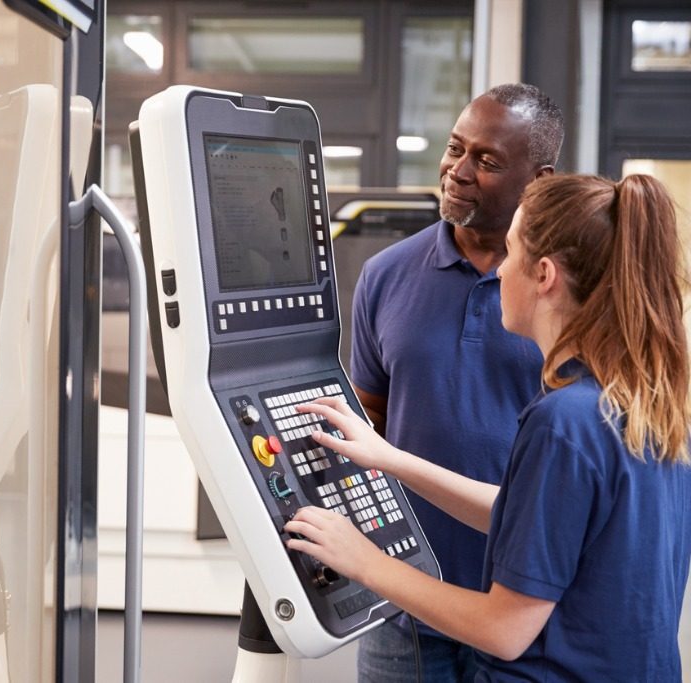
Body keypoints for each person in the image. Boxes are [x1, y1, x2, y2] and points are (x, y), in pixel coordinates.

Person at [288, 173, 691, 680]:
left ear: (543, 275)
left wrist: (363, 560)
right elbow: (527, 518)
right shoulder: (639, 402)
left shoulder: (563, 423)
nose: (499, 273)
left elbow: (504, 628)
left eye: (511, 254)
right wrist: (389, 458)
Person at [347, 82, 564, 680]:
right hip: (408, 601)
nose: (458, 171)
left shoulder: (561, 291)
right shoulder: (385, 275)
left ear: (539, 180)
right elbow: (370, 422)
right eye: (455, 149)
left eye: (487, 161)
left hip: (528, 602)